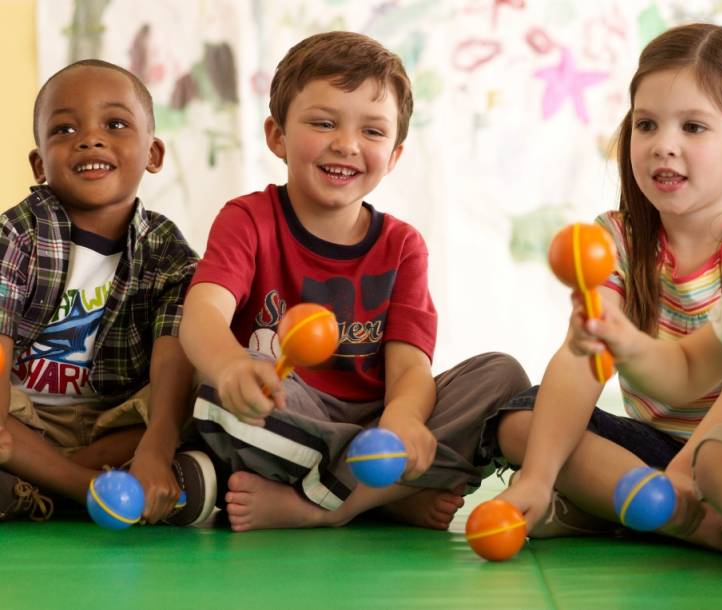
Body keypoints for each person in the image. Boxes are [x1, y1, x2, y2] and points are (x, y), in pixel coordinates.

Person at [179, 31, 530, 532]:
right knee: (217, 396)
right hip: (289, 407)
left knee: (502, 379)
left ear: (394, 156)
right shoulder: (247, 219)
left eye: (372, 132)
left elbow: (410, 369)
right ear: (276, 136)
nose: (345, 144)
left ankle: (333, 504)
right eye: (323, 123)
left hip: (376, 421)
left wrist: (403, 420)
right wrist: (233, 366)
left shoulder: (403, 245)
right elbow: (202, 315)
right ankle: (383, 492)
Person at [494, 23, 722, 553]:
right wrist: (536, 478)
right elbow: (585, 360)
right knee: (520, 420)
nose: (664, 146)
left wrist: (685, 476)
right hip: (655, 453)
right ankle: (692, 521)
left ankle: (649, 512)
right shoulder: (615, 237)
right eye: (647, 125)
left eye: (693, 128)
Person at [0, 59, 216, 527]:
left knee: (205, 383)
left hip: (113, 421)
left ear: (153, 154)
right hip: (24, 416)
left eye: (115, 124)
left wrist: (157, 445)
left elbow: (171, 361)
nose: (89, 138)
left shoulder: (167, 251)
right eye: (63, 130)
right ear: (39, 164)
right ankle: (92, 489)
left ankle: (45, 484)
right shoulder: (17, 234)